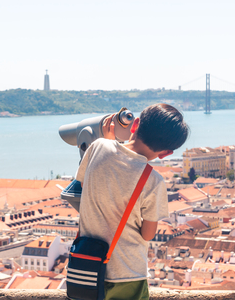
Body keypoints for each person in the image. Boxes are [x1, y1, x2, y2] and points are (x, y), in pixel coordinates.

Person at [75, 103, 189, 300]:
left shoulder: (97, 147)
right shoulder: (153, 181)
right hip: (127, 274)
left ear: (135, 124)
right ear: (166, 153)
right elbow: (147, 234)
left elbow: (85, 185)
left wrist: (109, 143)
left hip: (86, 266)